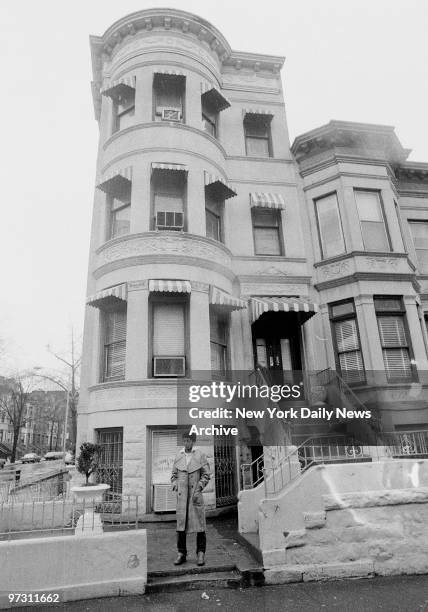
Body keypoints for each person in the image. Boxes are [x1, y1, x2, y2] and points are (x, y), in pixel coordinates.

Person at [171, 431, 210, 566]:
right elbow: (173, 475)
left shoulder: (200, 455)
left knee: (200, 525)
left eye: (189, 440)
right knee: (181, 526)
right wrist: (175, 484)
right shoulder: (178, 456)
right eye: (185, 440)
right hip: (182, 498)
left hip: (195, 496)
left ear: (193, 441)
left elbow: (206, 474)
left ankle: (200, 553)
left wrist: (199, 487)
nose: (186, 443)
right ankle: (181, 553)